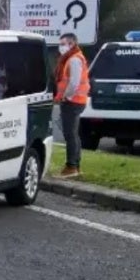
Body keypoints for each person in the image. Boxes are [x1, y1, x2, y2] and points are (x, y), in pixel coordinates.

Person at [53, 32, 90, 178]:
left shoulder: (74, 59)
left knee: (70, 135)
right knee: (73, 134)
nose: (60, 47)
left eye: (63, 44)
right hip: (75, 100)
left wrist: (65, 97)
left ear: (72, 43)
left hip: (72, 101)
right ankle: (75, 165)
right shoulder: (73, 58)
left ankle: (71, 167)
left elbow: (74, 83)